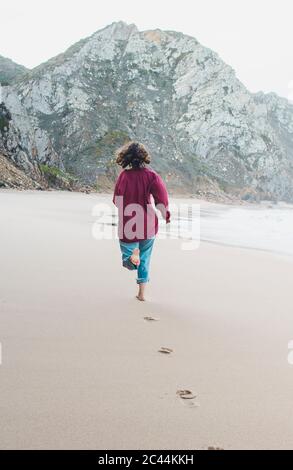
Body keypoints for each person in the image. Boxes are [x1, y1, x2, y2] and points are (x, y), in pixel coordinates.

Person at [113, 141, 170, 301]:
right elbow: (162, 199)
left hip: (128, 226)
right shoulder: (152, 176)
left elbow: (116, 201)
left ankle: (132, 257)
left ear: (126, 157)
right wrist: (166, 215)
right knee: (145, 261)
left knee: (128, 261)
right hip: (148, 225)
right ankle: (141, 294)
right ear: (144, 157)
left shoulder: (123, 176)